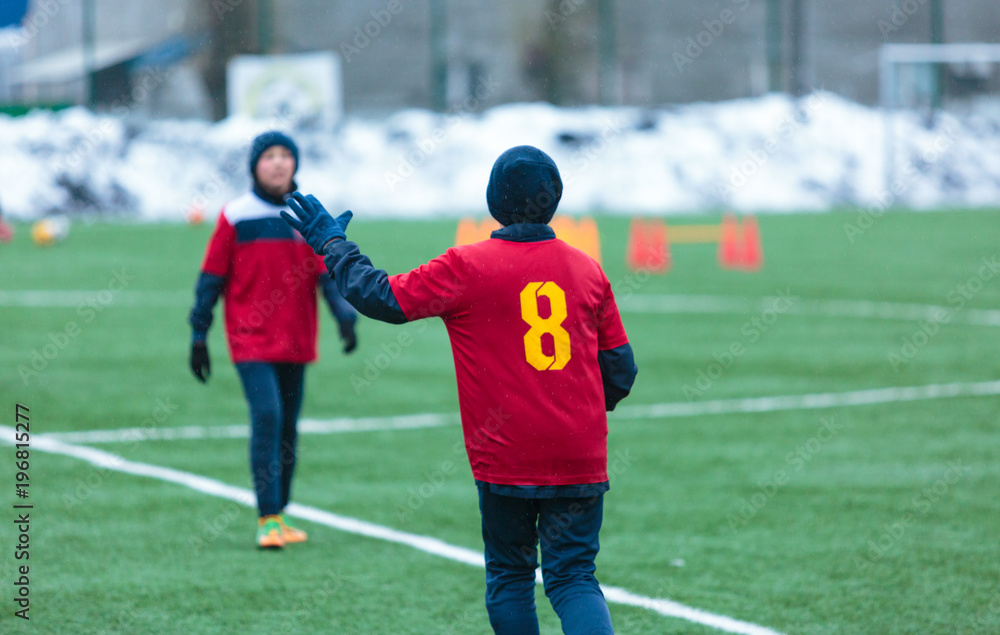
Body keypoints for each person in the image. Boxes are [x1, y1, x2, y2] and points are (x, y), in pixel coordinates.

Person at [281, 145, 637, 634]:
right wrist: (582, 413)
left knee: (511, 576)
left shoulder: (468, 266)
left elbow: (380, 296)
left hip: (506, 456)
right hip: (579, 453)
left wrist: (332, 243)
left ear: (494, 201)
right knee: (573, 577)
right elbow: (621, 369)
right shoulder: (587, 268)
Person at [187, 131, 359, 549]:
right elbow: (211, 277)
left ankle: (279, 513)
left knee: (288, 427)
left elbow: (326, 272)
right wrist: (199, 332)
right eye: (269, 156)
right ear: (254, 166)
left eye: (286, 155)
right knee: (267, 414)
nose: (279, 163)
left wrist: (343, 314)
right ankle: (267, 519)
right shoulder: (236, 215)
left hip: (297, 339)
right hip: (251, 338)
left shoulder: (308, 216)